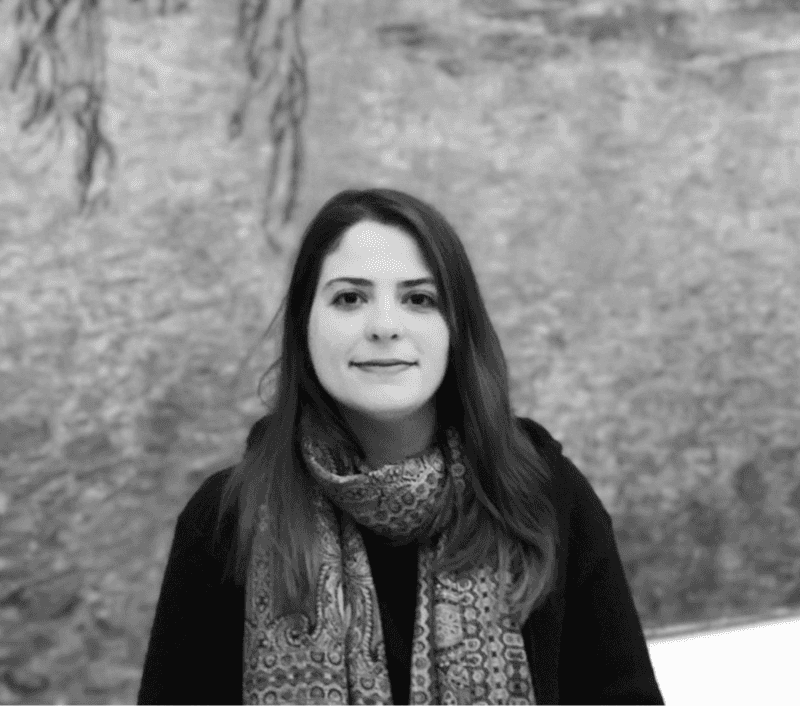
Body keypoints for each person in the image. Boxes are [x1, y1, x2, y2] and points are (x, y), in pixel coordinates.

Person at [137, 187, 664, 705]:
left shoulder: (542, 497)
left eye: (418, 299)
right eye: (350, 298)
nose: (385, 327)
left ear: (455, 327)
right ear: (304, 325)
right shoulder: (226, 518)